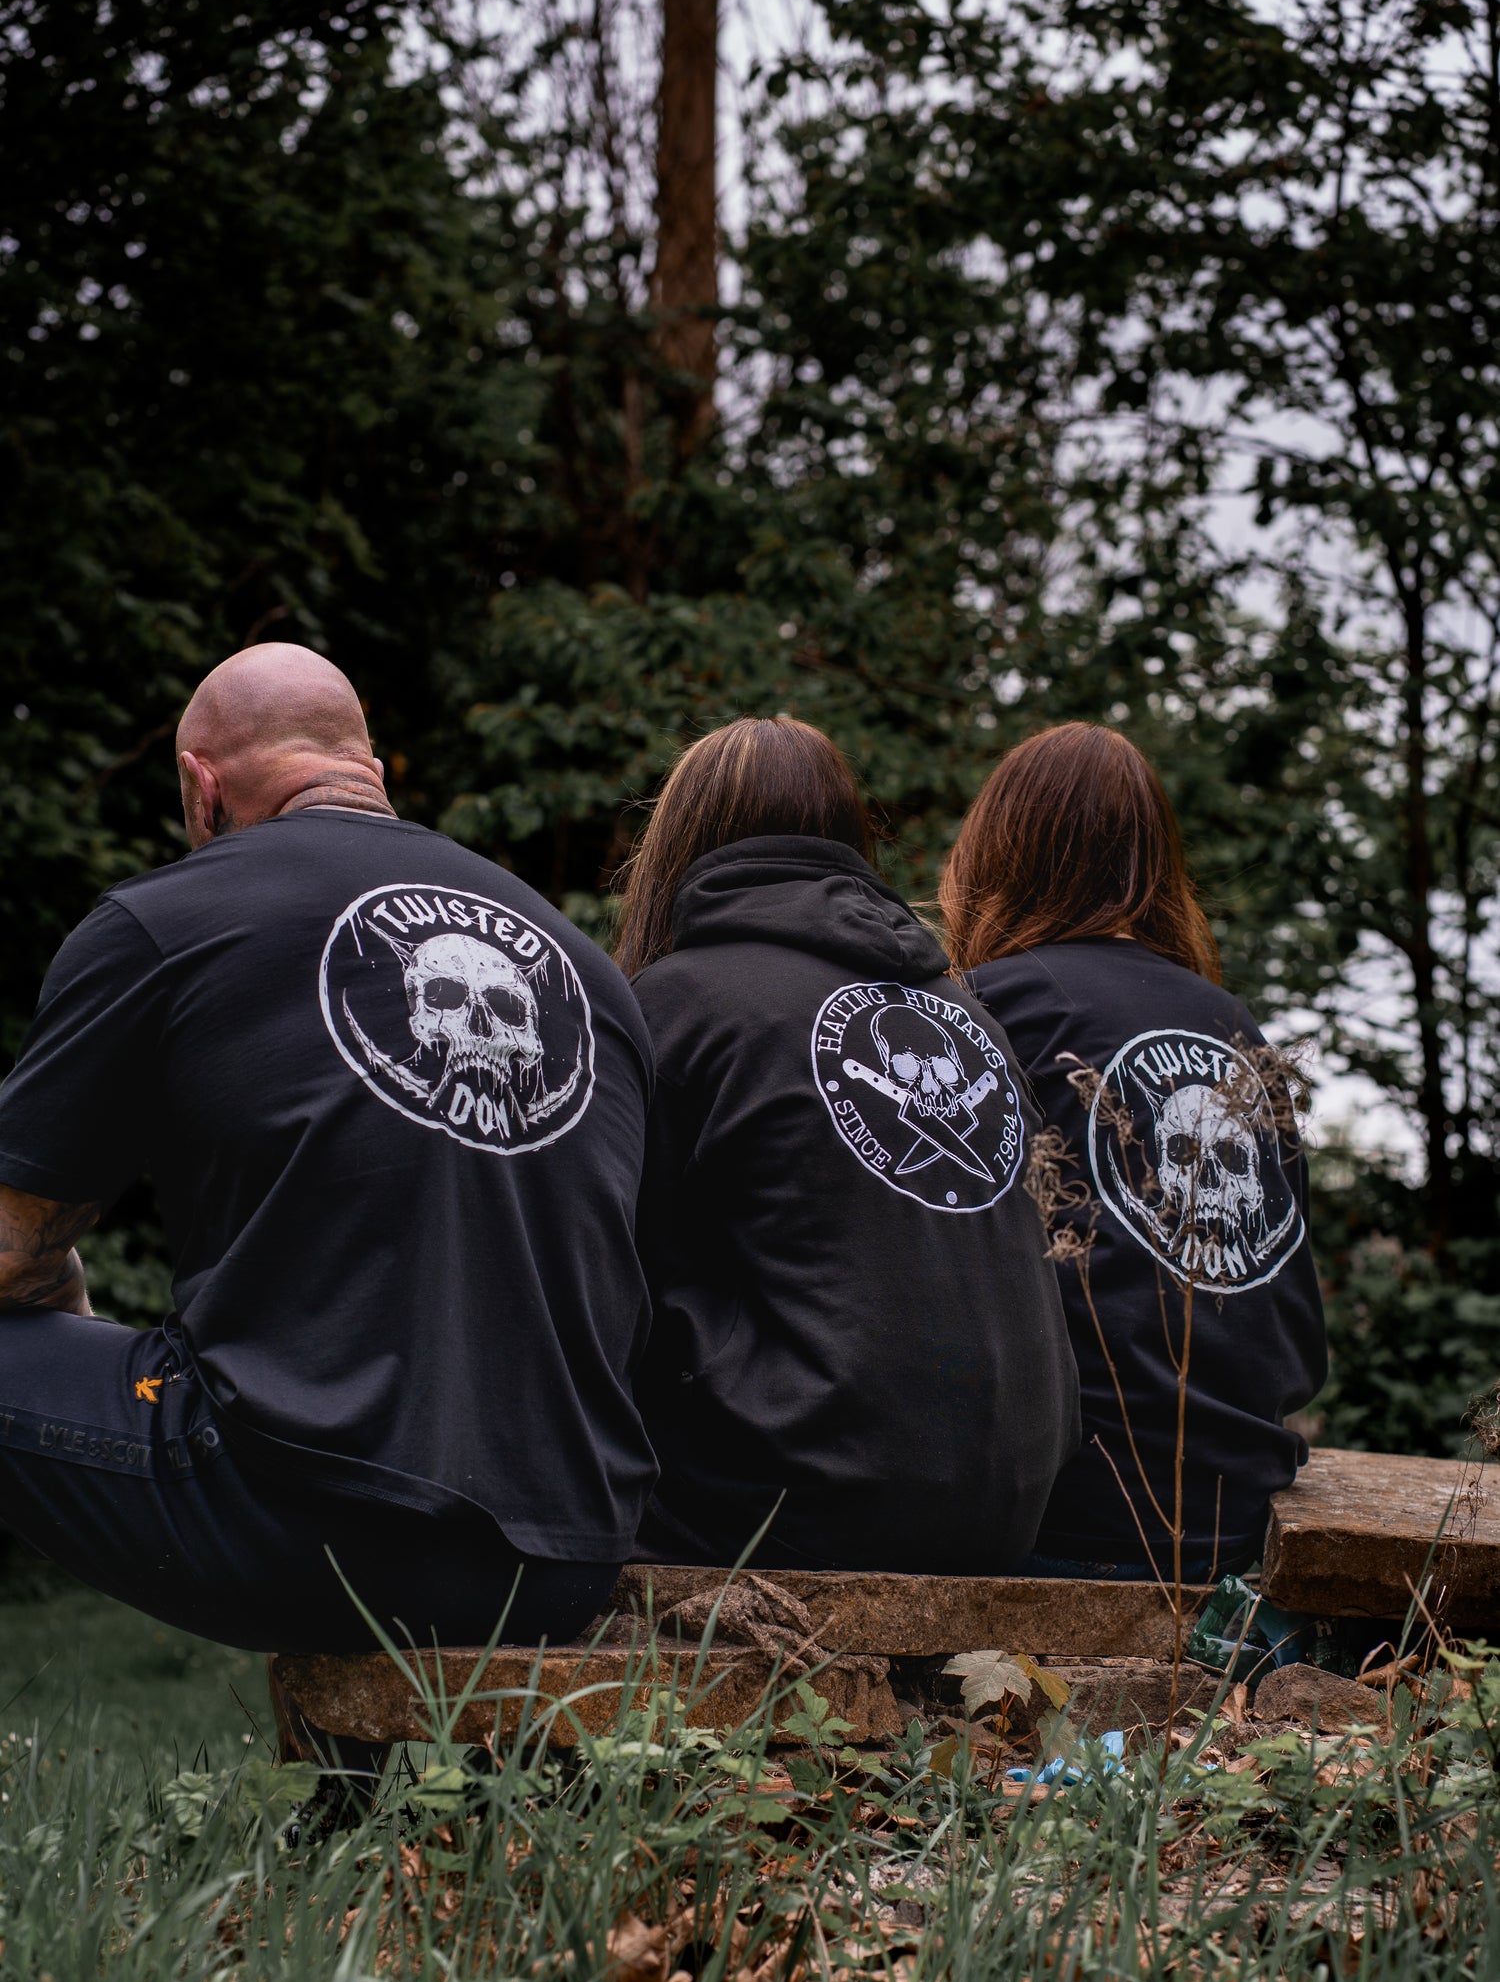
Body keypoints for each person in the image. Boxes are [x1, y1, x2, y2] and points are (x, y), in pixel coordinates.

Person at [0, 644, 657, 1652]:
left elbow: (10, 1253)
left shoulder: (165, 921)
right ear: (372, 771)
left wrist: (62, 1304)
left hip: (311, 1524)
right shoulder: (585, 968)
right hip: (570, 1560)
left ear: (201, 787)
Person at [617, 714, 1080, 1573]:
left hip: (802, 1504)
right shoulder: (968, 1016)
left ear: (679, 842)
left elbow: (604, 1267)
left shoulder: (679, 1003)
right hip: (1010, 1508)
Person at [942, 722, 1327, 1582]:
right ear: (1154, 866)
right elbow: (1292, 1322)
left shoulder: (985, 1008)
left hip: (1063, 1519)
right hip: (1231, 1518)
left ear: (991, 856)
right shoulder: (1233, 1024)